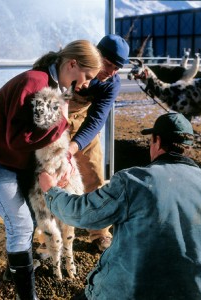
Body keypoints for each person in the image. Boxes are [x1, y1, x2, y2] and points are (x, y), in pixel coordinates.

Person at [39, 112, 201, 300]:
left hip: (127, 293)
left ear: (156, 141)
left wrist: (51, 190)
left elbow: (81, 214)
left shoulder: (133, 181)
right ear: (189, 146)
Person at [0, 40, 102, 300]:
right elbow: (18, 140)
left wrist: (62, 164)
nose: (86, 84)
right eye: (87, 76)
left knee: (27, 219)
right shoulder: (35, 83)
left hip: (12, 159)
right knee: (21, 224)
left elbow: (49, 140)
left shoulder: (55, 88)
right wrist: (62, 119)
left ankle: (12, 271)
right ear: (72, 64)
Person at [67, 34, 130, 251]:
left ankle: (100, 231)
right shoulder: (72, 65)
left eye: (117, 68)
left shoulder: (111, 83)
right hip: (55, 115)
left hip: (83, 120)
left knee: (93, 171)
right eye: (108, 64)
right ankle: (50, 232)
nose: (110, 72)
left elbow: (96, 119)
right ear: (96, 54)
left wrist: (73, 146)